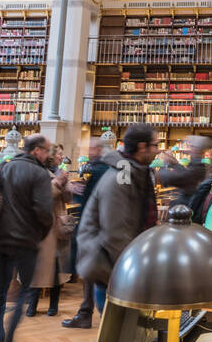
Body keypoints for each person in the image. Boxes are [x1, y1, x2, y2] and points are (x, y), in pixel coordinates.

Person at [0, 135, 55, 342]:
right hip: (25, 241)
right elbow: (44, 211)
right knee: (23, 293)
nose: (49, 155)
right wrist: (41, 234)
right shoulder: (40, 173)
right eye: (47, 150)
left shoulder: (4, 166)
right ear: (36, 151)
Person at [76, 123, 159, 318]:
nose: (158, 150)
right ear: (141, 147)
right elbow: (115, 232)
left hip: (122, 261)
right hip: (110, 265)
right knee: (116, 330)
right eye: (155, 145)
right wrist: (132, 269)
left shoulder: (138, 171)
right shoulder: (121, 178)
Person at [62, 133, 117, 329]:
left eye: (91, 148)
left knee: (93, 272)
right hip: (97, 228)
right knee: (92, 273)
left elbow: (96, 199)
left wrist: (78, 193)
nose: (88, 152)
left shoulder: (101, 169)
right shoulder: (102, 168)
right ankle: (88, 313)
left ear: (99, 149)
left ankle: (101, 319)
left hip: (95, 229)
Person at [26, 154, 74, 318]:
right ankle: (32, 304)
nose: (62, 157)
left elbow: (68, 198)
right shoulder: (36, 173)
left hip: (58, 226)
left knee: (57, 267)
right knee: (37, 266)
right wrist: (58, 183)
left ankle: (53, 305)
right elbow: (40, 199)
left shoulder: (61, 174)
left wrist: (67, 185)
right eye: (58, 154)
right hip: (40, 227)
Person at [157, 135, 211, 204]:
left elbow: (171, 178)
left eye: (191, 146)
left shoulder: (197, 166)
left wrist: (163, 163)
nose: (189, 149)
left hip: (187, 206)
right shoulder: (197, 164)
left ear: (196, 149)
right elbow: (185, 173)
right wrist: (174, 163)